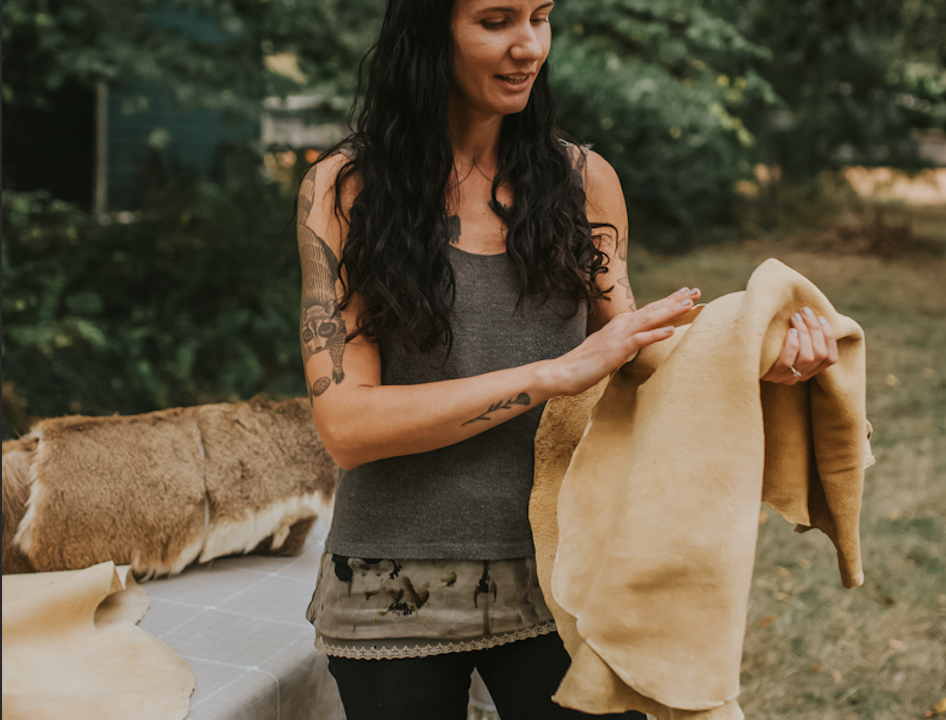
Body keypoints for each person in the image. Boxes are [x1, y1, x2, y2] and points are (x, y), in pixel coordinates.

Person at [296, 0, 839, 717]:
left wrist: (755, 355)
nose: (529, 46)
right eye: (496, 21)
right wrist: (554, 373)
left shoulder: (583, 182)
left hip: (567, 573)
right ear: (431, 31)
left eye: (540, 17)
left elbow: (636, 353)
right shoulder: (345, 189)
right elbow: (349, 426)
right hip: (392, 585)